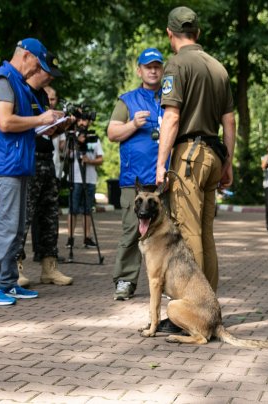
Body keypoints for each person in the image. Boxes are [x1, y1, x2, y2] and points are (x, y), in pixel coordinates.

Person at [0, 38, 64, 306]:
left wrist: (49, 124)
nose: (38, 71)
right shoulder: (3, 80)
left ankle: (7, 282)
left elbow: (25, 126)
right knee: (3, 227)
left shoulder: (19, 84)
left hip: (19, 164)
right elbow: (5, 122)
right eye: (37, 64)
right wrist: (41, 119)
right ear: (25, 56)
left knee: (15, 228)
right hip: (5, 165)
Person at [155, 6, 236, 294]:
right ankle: (208, 303)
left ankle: (194, 307)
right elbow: (229, 121)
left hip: (189, 157)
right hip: (214, 155)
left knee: (189, 236)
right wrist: (228, 163)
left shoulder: (177, 65)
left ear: (169, 33)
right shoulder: (218, 68)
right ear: (197, 32)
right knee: (206, 235)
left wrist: (161, 164)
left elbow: (172, 117)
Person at [108, 47, 165, 301]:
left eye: (157, 66)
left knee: (168, 231)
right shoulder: (127, 101)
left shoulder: (171, 98)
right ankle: (125, 280)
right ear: (139, 70)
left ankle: (168, 282)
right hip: (135, 181)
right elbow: (111, 134)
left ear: (162, 70)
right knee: (133, 229)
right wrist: (133, 124)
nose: (153, 70)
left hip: (164, 180)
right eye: (148, 66)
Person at [16, 54, 74, 287]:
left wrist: (59, 127)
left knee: (49, 214)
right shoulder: (21, 91)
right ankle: (16, 267)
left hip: (46, 160)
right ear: (38, 70)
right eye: (48, 72)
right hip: (27, 160)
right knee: (24, 215)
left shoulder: (41, 95)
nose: (50, 77)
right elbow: (18, 124)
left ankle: (49, 266)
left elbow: (44, 130)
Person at [66, 114, 103, 249]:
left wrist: (90, 161)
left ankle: (87, 237)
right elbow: (65, 154)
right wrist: (77, 142)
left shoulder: (94, 139)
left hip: (90, 179)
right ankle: (70, 238)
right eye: (80, 119)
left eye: (85, 120)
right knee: (73, 209)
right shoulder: (72, 138)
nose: (82, 122)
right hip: (75, 178)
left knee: (87, 210)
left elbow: (101, 159)